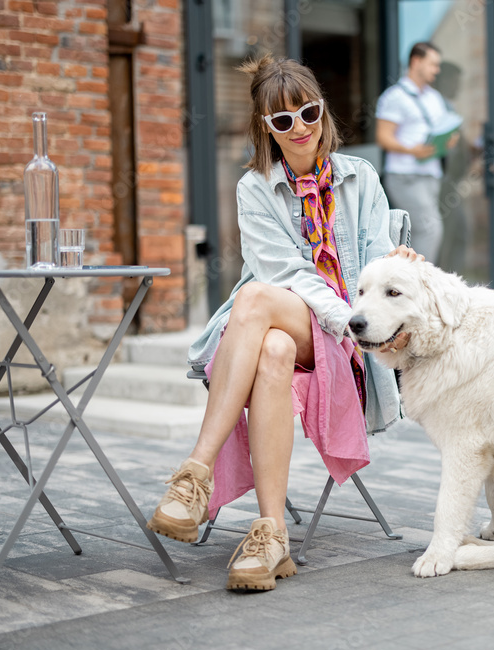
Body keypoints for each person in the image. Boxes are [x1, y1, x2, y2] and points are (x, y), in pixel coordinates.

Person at [147, 56, 415, 592]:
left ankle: (194, 474)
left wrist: (361, 310)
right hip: (294, 326)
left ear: (322, 111)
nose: (301, 129)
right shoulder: (255, 189)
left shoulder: (359, 177)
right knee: (269, 346)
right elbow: (286, 273)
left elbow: (376, 263)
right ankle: (271, 537)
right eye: (283, 121)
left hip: (347, 339)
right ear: (266, 129)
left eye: (308, 113)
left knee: (251, 301)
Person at [375, 42, 458, 261]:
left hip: (431, 175)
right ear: (416, 61)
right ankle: (420, 280)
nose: (437, 70)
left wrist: (448, 140)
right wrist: (412, 150)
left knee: (417, 231)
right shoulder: (395, 97)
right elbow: (383, 136)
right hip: (405, 176)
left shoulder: (434, 98)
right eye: (433, 64)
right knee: (430, 229)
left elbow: (439, 128)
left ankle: (408, 279)